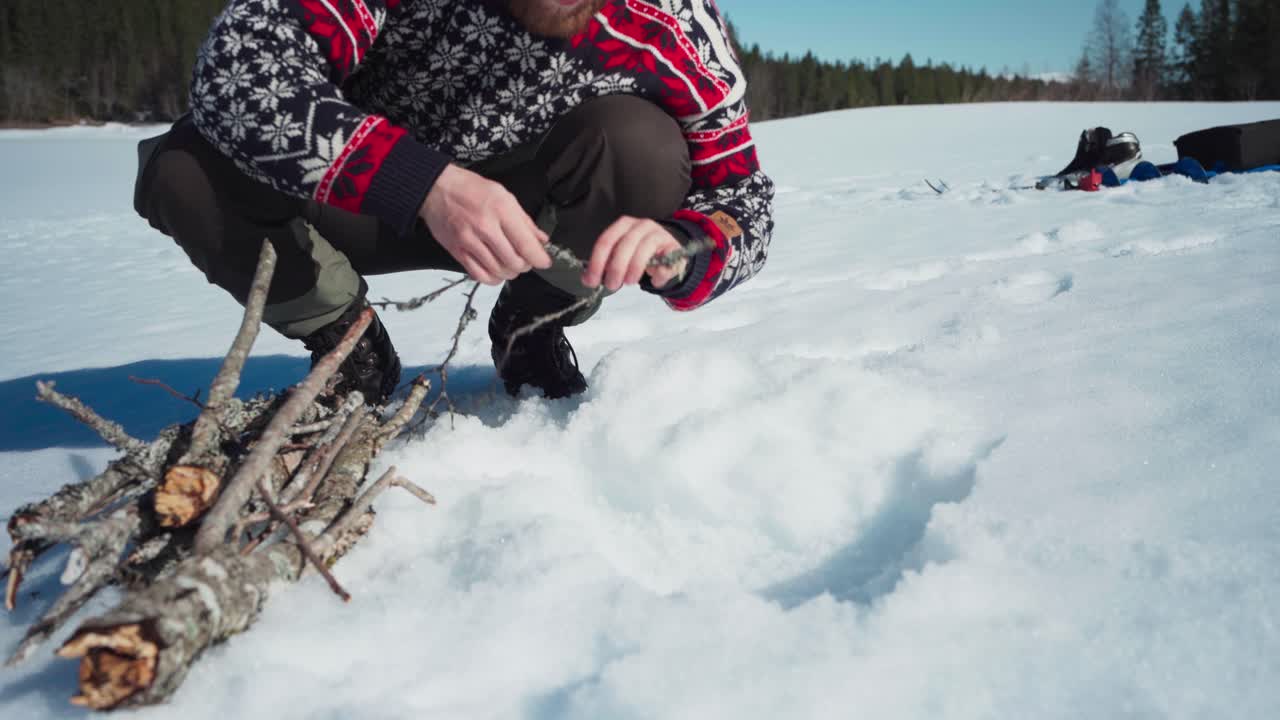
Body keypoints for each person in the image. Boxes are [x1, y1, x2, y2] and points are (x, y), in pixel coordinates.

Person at [134, 0, 775, 404]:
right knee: (185, 167)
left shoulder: (675, 28)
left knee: (643, 146)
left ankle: (531, 326)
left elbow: (743, 200)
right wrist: (421, 181)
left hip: (530, 227)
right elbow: (242, 69)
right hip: (352, 202)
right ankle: (344, 340)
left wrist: (689, 247)